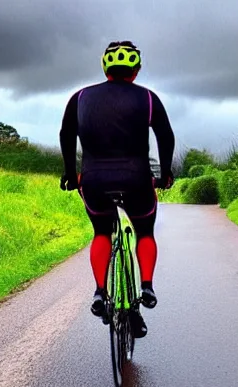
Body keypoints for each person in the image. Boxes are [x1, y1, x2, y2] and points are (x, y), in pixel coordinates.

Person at [59, 41, 175, 335]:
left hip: (95, 180)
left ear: (105, 68)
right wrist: (165, 173)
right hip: (136, 180)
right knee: (145, 232)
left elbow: (66, 134)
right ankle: (146, 287)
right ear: (135, 70)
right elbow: (165, 136)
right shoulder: (148, 99)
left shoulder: (80, 97)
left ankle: (100, 291)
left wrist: (71, 174)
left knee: (101, 233)